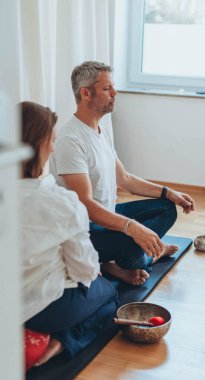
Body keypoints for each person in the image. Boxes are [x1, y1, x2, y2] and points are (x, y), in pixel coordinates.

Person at [50, 61, 195, 286]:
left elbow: (124, 179)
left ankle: (134, 256)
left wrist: (169, 192)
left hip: (108, 214)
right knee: (132, 248)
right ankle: (122, 262)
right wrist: (132, 227)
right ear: (86, 93)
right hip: (85, 230)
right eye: (107, 89)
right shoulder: (70, 140)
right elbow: (86, 206)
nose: (115, 93)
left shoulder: (101, 131)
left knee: (166, 207)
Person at [20, 101, 118, 367]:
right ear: (39, 146)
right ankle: (61, 343)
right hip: (40, 310)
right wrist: (94, 270)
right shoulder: (61, 201)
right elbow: (84, 271)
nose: (54, 147)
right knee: (109, 294)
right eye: (51, 141)